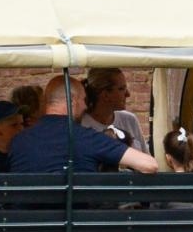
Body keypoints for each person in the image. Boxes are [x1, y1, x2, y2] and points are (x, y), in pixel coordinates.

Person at [8, 74, 160, 175]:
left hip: (30, 223)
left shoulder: (17, 141)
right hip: (77, 223)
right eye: (83, 100)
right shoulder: (87, 138)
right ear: (73, 101)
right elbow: (149, 165)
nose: (85, 106)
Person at [80, 68, 147, 152]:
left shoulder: (130, 120)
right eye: (121, 89)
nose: (128, 94)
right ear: (105, 94)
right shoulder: (80, 126)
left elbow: (146, 157)